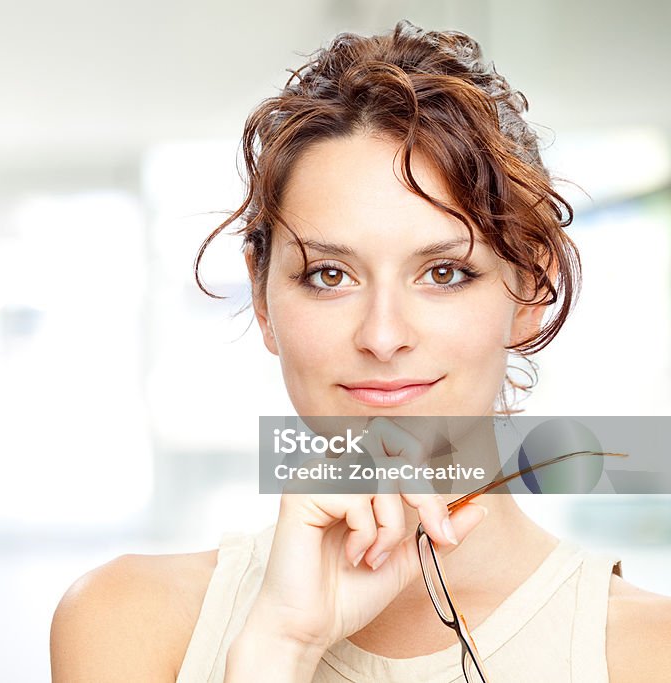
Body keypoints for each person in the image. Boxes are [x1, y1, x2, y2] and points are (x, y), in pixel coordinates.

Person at [50, 20, 671, 682]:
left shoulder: (648, 651)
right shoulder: (127, 621)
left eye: (443, 273)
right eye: (329, 275)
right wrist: (278, 647)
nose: (381, 335)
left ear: (530, 292)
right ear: (262, 298)